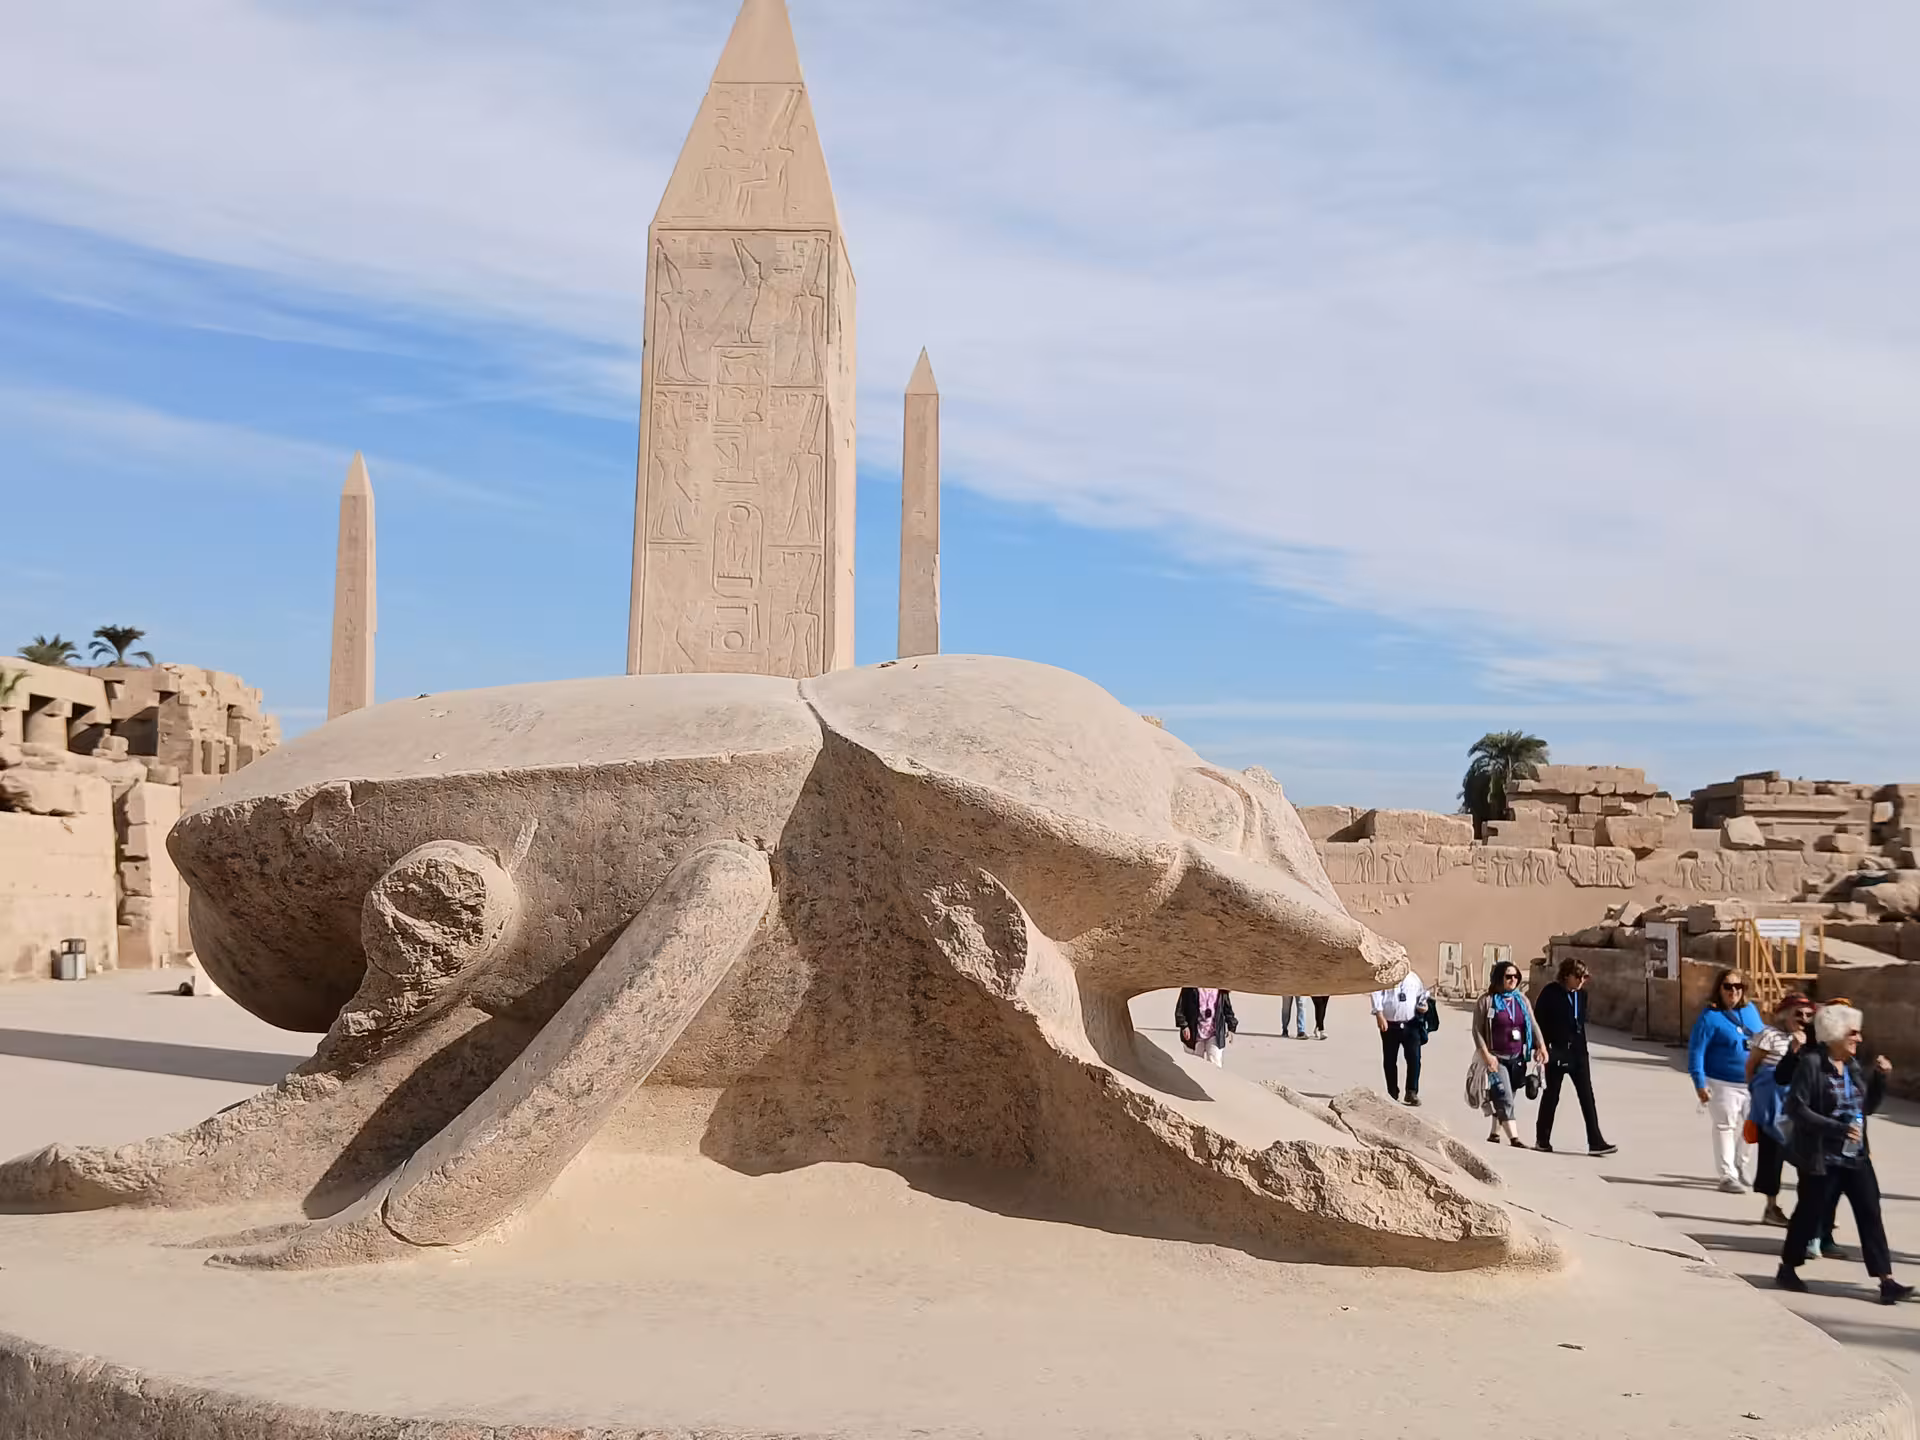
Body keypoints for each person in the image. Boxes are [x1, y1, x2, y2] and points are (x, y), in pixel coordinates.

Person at [1775, 1004, 1915, 1305]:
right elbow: (1796, 1109)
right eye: (1853, 1033)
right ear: (1835, 1034)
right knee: (1809, 1215)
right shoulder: (1812, 1064)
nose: (1859, 1039)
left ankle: (1885, 1280)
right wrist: (1836, 1128)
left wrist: (1879, 1078)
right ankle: (1788, 1267)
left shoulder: (1851, 1066)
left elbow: (1865, 1109)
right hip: (1821, 1158)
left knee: (1870, 1213)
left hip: (1856, 1157)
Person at [1688, 969, 1765, 1193]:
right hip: (1722, 1083)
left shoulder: (1750, 1011)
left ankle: (1741, 1163)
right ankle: (1727, 1175)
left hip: (1753, 1081)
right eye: (1728, 987)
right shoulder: (1709, 1017)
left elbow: (1761, 1040)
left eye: (1738, 987)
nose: (1733, 991)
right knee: (1725, 1126)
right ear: (1719, 989)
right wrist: (1699, 1083)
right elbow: (1696, 1052)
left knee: (1756, 1125)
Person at [1533, 956, 1617, 1157]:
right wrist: (1540, 1047)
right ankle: (1542, 1139)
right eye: (1578, 976)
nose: (1581, 981)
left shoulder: (1582, 996)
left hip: (1578, 1053)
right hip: (1555, 1051)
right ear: (1566, 975)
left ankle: (1595, 1141)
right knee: (1551, 1096)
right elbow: (1538, 1023)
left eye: (1585, 977)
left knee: (1587, 1097)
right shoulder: (1550, 993)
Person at [1748, 992, 1814, 1226]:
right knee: (1772, 1157)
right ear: (1786, 1016)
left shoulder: (1812, 1040)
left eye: (1809, 1014)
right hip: (1772, 1105)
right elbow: (1752, 1065)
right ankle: (1771, 1207)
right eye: (1799, 1013)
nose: (1804, 1018)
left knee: (1807, 1160)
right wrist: (1757, 1094)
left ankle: (1811, 1210)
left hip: (1799, 1105)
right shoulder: (1770, 1035)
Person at [1473, 960, 1547, 1146]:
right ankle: (1514, 1138)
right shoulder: (1486, 1001)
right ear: (1499, 978)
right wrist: (1486, 1055)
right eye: (1508, 976)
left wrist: (1541, 1046)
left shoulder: (1521, 1000)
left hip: (1517, 1057)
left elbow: (1533, 1023)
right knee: (1504, 1094)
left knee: (1507, 1095)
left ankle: (1494, 1134)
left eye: (1516, 976)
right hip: (1496, 1058)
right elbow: (1477, 1030)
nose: (1513, 980)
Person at [1370, 968, 1430, 1105]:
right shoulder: (1386, 977)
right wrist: (1379, 1015)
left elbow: (1421, 995)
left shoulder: (1414, 978)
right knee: (1390, 1060)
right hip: (1390, 1024)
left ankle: (1411, 1092)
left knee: (1414, 1059)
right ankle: (1392, 1092)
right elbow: (1376, 994)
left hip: (1411, 1024)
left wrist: (1424, 1006)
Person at [1175, 988, 1237, 1067]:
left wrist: (1231, 1027)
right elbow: (1180, 1008)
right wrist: (1184, 1025)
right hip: (1194, 1034)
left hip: (1215, 1033)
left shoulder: (1221, 989)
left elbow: (1227, 1009)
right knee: (1194, 1065)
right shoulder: (1190, 988)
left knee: (1215, 1063)